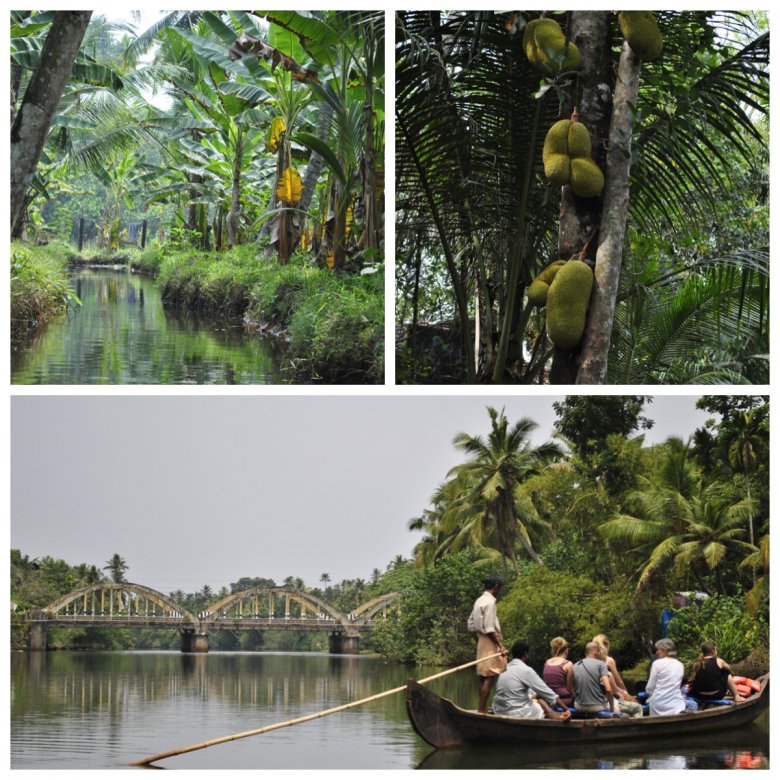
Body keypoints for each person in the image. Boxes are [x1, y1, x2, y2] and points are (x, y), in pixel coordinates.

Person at [492, 641, 571, 720]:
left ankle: (550, 712)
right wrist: (566, 709)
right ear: (525, 654)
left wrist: (536, 694)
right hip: (516, 712)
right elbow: (547, 692)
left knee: (535, 696)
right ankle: (552, 714)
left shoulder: (505, 668)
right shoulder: (526, 670)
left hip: (499, 710)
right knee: (540, 703)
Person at [467, 575, 507, 713]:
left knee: (483, 677)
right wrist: (500, 645)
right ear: (495, 587)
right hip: (489, 641)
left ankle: (482, 708)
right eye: (499, 588)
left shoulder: (479, 601)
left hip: (481, 641)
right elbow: (490, 629)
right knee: (489, 677)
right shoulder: (490, 603)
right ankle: (481, 710)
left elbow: (470, 625)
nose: (499, 591)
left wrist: (477, 640)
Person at [592, 634, 643, 718]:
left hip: (594, 697)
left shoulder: (589, 661)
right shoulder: (609, 660)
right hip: (608, 697)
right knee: (637, 706)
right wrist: (627, 694)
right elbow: (618, 681)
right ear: (606, 645)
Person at [569, 641, 615, 715]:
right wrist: (612, 709)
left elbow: (571, 687)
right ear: (596, 652)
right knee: (615, 703)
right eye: (599, 652)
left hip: (578, 706)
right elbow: (608, 689)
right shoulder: (601, 664)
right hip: (597, 707)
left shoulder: (575, 665)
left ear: (586, 653)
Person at [645, 638, 686, 716]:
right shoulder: (680, 664)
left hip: (659, 705)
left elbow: (650, 687)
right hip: (676, 704)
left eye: (658, 650)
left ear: (663, 650)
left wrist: (649, 695)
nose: (657, 652)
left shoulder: (657, 663)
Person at [542, 636, 574, 707]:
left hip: (549, 700)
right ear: (566, 650)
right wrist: (574, 696)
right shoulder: (568, 664)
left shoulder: (547, 662)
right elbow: (569, 687)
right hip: (564, 700)